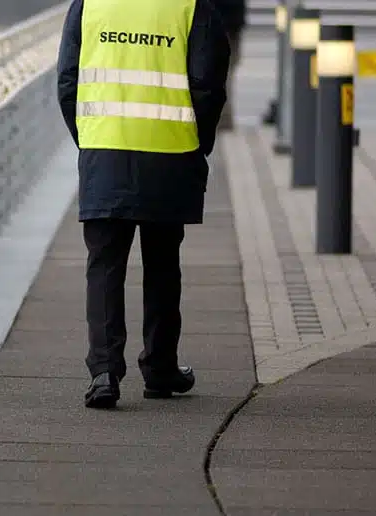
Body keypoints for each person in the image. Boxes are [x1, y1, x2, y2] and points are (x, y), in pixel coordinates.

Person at [56, 0, 230, 408]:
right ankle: (160, 368)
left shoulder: (90, 4)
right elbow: (208, 83)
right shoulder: (190, 6)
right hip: (170, 152)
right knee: (163, 266)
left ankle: (103, 372)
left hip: (106, 150)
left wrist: (91, 140)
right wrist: (196, 143)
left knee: (104, 264)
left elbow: (67, 81)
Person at [212, 0, 247, 130]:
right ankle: (223, 119)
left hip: (216, 23)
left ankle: (220, 118)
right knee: (225, 75)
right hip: (231, 25)